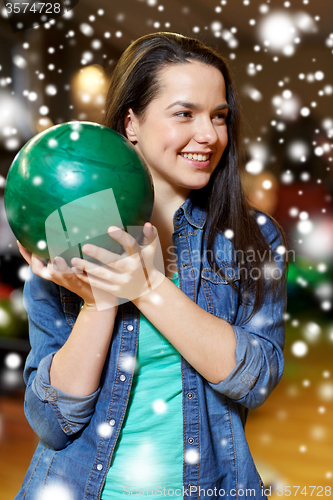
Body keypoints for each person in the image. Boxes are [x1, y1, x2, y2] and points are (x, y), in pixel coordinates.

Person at [15, 32, 287, 500]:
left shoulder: (252, 237)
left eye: (219, 116)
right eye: (184, 113)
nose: (209, 134)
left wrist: (146, 286)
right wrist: (97, 302)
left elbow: (255, 380)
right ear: (131, 123)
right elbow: (54, 423)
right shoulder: (71, 228)